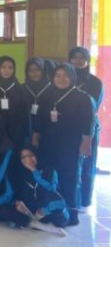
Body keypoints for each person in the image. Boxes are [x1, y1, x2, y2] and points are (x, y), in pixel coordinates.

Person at [32, 64, 94, 226]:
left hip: (71, 145)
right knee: (48, 176)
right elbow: (39, 120)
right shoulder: (47, 95)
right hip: (48, 143)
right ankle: (51, 211)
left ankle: (72, 214)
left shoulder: (82, 97)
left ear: (72, 77)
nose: (61, 79)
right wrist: (35, 138)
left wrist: (86, 142)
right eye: (58, 75)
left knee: (69, 178)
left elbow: (88, 123)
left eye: (65, 75)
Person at [0, 146, 69, 236]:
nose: (27, 159)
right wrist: (17, 203)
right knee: (3, 209)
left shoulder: (49, 171)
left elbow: (51, 189)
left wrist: (34, 170)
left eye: (30, 155)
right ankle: (39, 225)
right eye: (23, 157)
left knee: (53, 198)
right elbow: (17, 195)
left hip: (52, 213)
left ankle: (33, 224)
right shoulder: (21, 175)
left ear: (37, 155)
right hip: (33, 213)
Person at [70, 46, 106, 202]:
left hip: (89, 127)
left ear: (87, 60)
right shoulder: (65, 79)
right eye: (75, 57)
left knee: (88, 163)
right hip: (68, 127)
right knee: (70, 162)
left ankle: (85, 198)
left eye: (82, 58)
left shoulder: (95, 82)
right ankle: (71, 196)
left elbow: (94, 106)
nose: (78, 61)